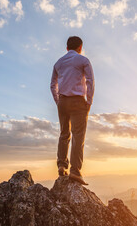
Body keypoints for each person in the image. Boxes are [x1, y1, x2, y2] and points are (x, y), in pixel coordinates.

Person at [50, 36, 95, 185]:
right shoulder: (83, 60)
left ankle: (62, 166)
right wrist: (88, 102)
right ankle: (75, 171)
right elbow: (90, 81)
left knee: (64, 133)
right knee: (78, 136)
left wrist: (58, 101)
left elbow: (52, 85)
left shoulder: (58, 63)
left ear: (67, 48)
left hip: (62, 101)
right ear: (80, 48)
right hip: (78, 101)